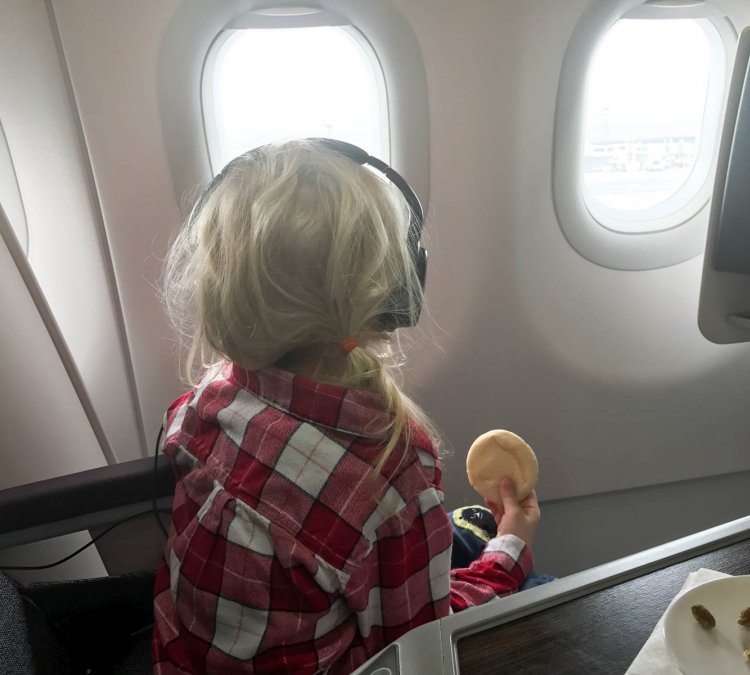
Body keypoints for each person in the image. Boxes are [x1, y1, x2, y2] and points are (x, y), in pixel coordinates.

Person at [151, 139, 542, 674]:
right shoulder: (390, 479)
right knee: (536, 586)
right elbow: (421, 647)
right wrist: (512, 550)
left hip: (180, 661)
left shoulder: (207, 396)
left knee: (465, 526)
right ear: (396, 288)